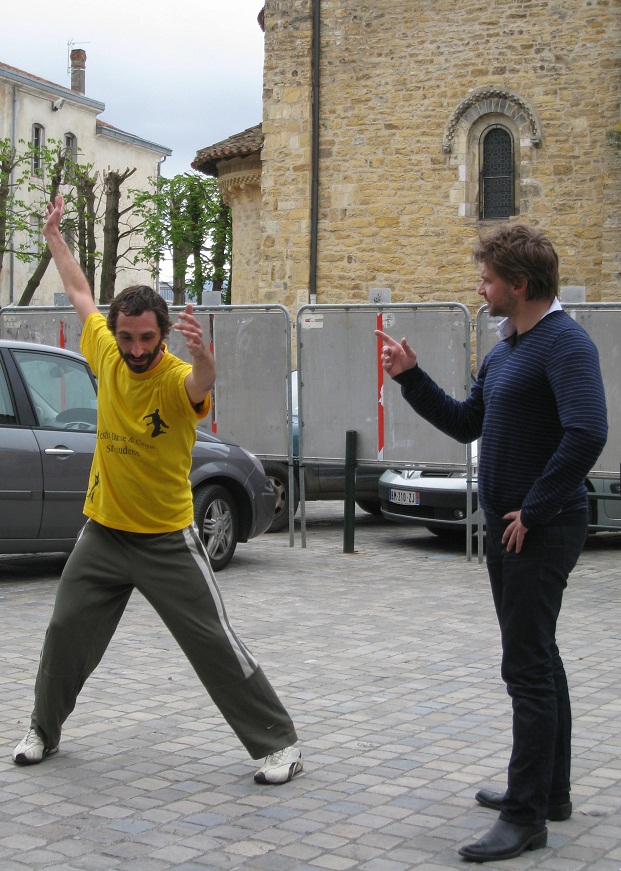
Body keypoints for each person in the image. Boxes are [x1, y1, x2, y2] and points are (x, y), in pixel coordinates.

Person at [12, 194, 303, 786]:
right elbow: (79, 294)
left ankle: (279, 744)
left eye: (147, 339)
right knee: (65, 632)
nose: (137, 349)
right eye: (128, 337)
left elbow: (199, 383)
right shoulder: (105, 351)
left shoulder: (174, 381)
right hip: (103, 532)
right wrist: (55, 240)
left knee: (213, 643)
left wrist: (205, 361)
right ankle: (43, 730)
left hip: (167, 540)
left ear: (164, 335)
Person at [376, 224, 607, 862]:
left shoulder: (564, 345)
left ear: (520, 285)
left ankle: (525, 815)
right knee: (539, 657)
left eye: (488, 280)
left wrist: (534, 508)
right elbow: (469, 421)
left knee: (526, 668)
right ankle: (548, 790)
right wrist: (412, 378)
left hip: (540, 527)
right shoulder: (508, 349)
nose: (481, 289)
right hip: (514, 526)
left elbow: (588, 432)